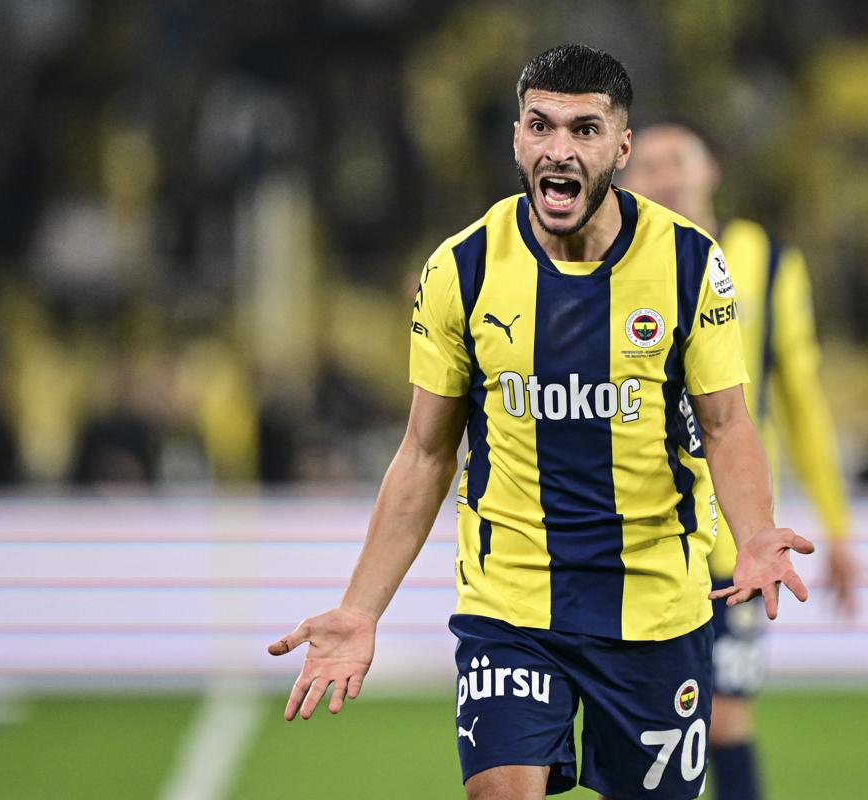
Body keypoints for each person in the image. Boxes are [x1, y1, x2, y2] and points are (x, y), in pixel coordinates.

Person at [269, 45, 815, 800]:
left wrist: (754, 533)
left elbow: (725, 426)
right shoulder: (460, 268)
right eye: (541, 125)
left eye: (585, 129)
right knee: (499, 789)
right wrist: (361, 609)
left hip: (655, 609)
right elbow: (425, 452)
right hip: (512, 605)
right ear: (517, 139)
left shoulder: (691, 263)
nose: (560, 148)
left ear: (621, 148)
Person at [621, 121, 859, 800]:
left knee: (722, 716)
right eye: (649, 165)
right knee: (645, 729)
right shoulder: (609, 264)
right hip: (640, 534)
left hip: (732, 540)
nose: (666, 176)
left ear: (710, 172)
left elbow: (802, 399)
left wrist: (838, 525)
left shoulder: (768, 261)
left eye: (679, 160)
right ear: (625, 180)